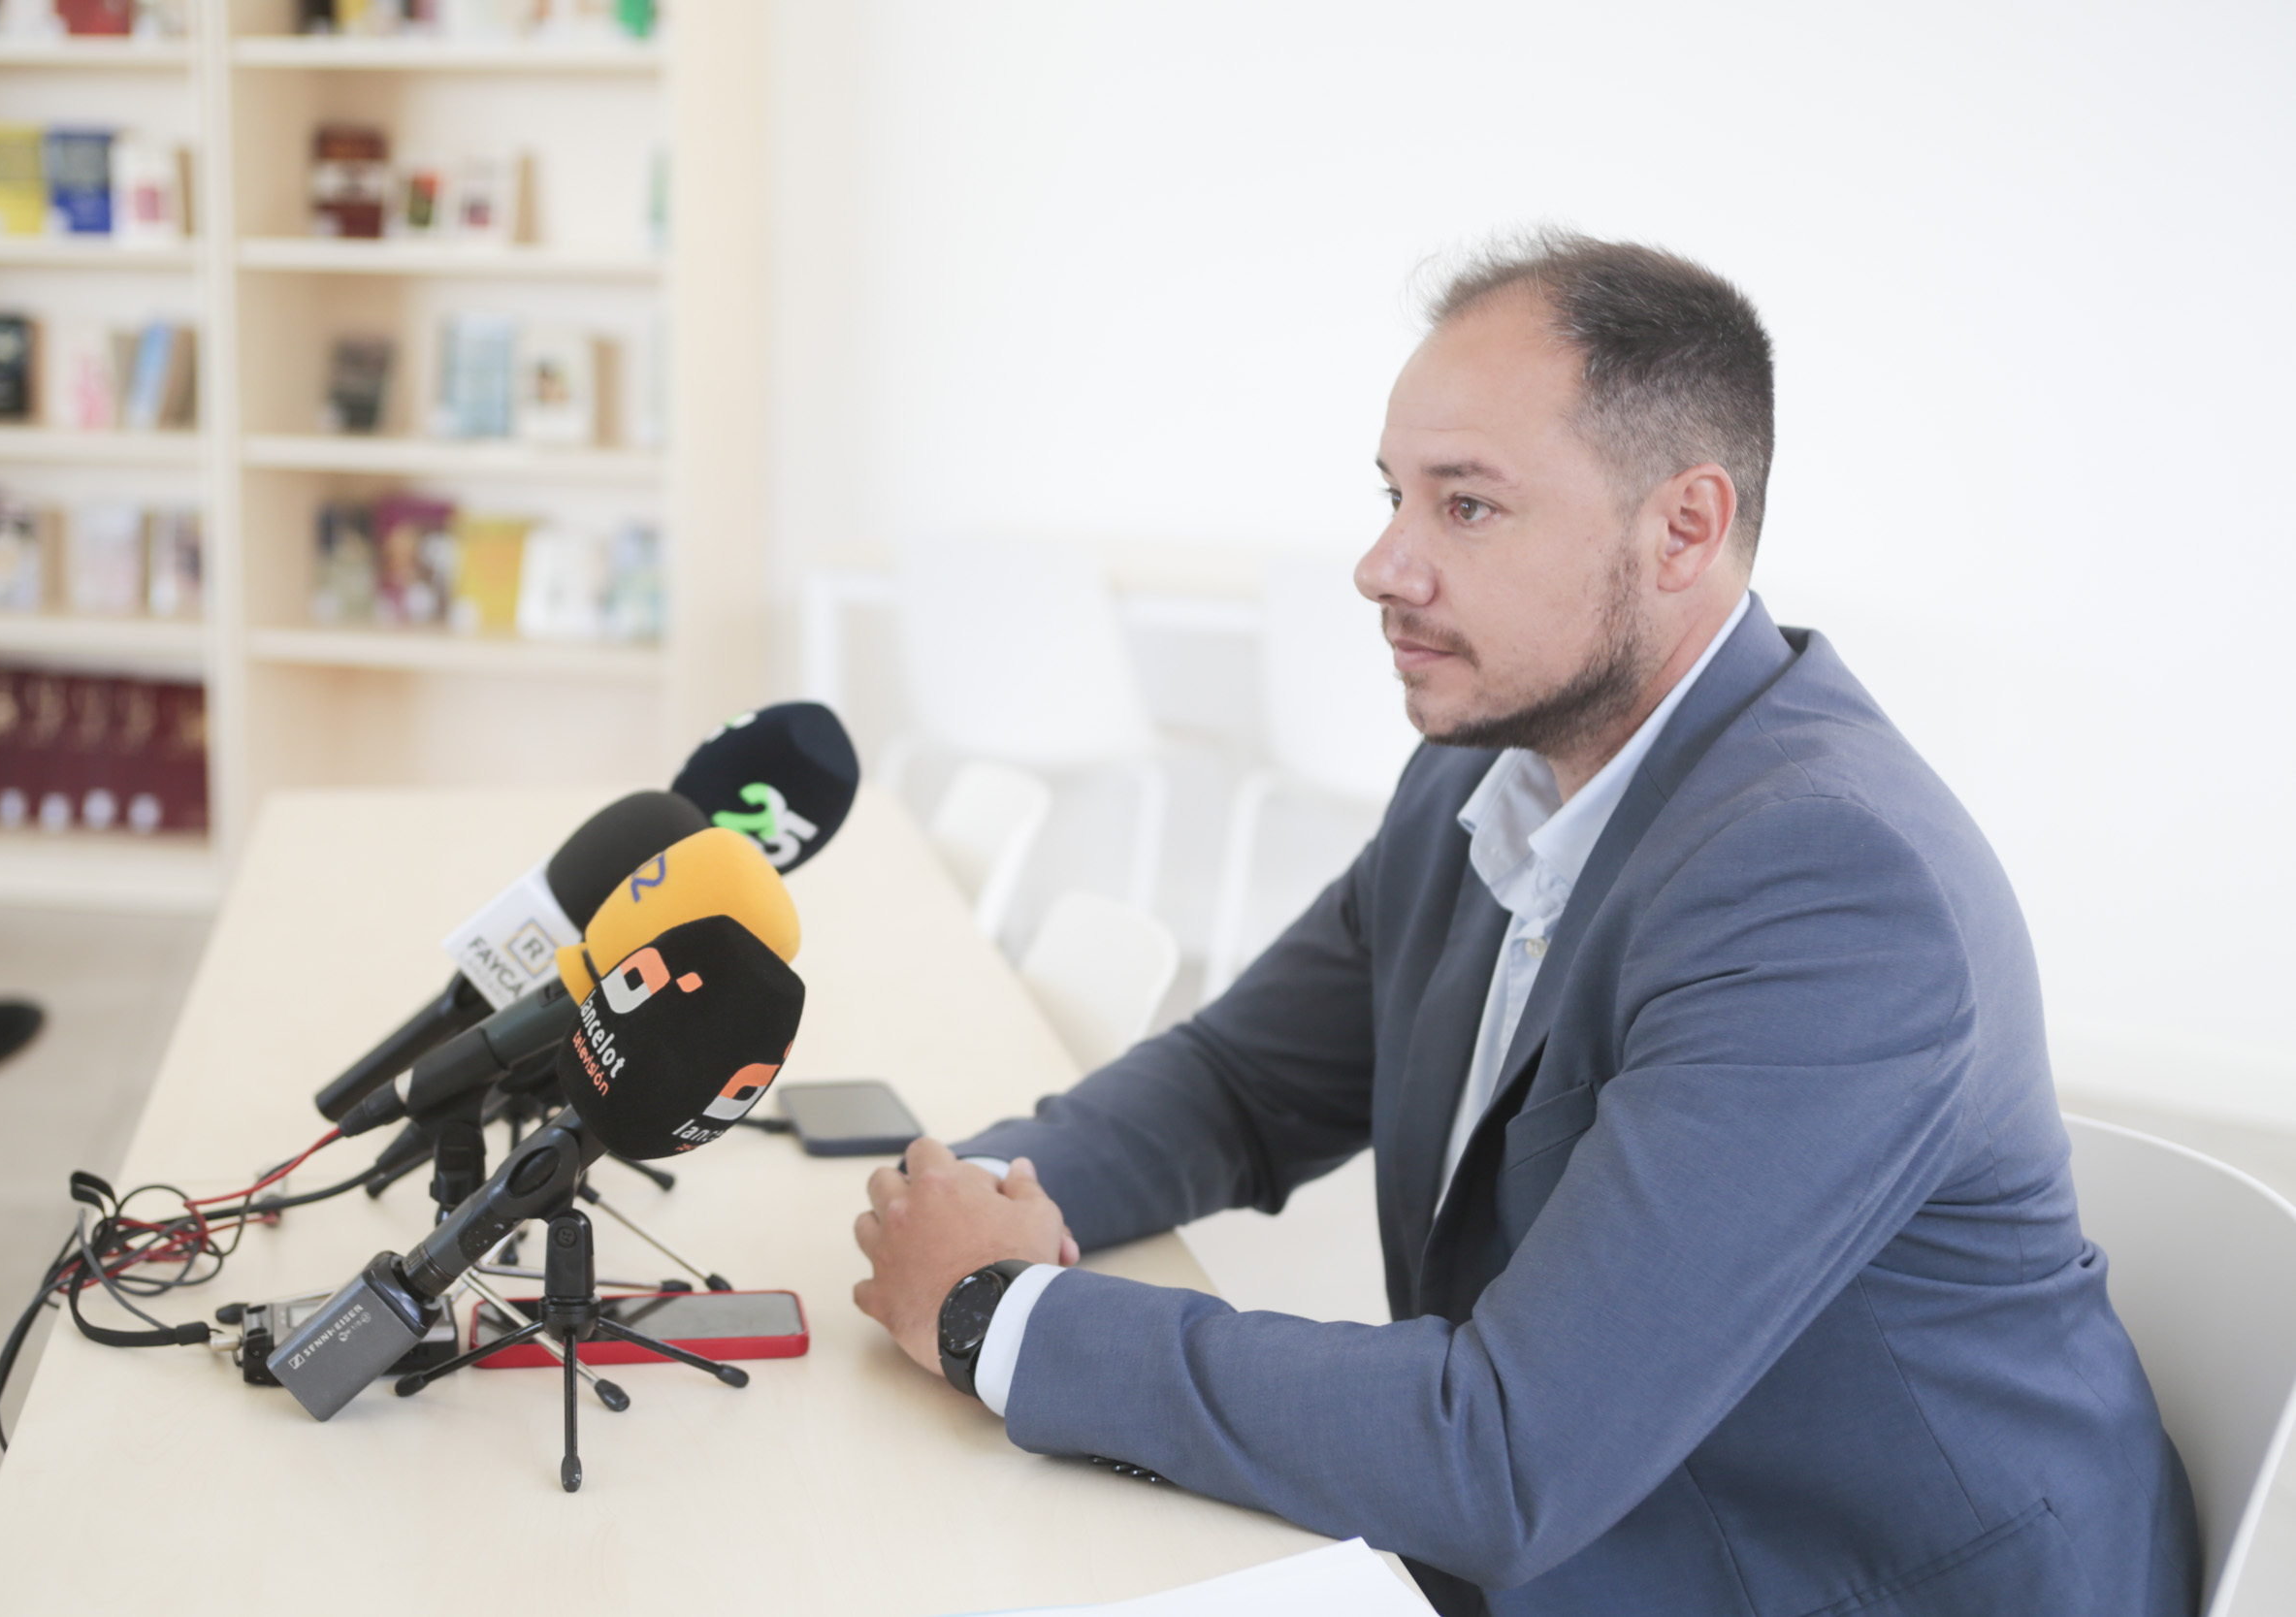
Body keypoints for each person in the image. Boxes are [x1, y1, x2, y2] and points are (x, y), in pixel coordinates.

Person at [849, 232, 2198, 1616]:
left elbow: (1502, 1452)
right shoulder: (1487, 778)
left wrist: (997, 1315)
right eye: (1392, 497)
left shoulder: (1833, 888)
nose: (1383, 565)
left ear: (1683, 526)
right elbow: (1244, 1089)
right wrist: (956, 1201)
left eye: (1467, 508)